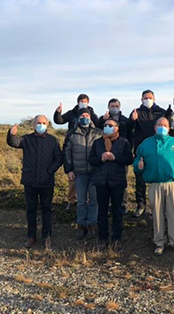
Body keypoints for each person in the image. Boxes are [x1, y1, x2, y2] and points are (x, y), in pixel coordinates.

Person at [134, 117, 174, 255]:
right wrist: (138, 165)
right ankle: (159, 242)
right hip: (155, 184)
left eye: (165, 125)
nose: (162, 127)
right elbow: (137, 161)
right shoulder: (146, 144)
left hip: (173, 184)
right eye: (160, 125)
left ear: (169, 128)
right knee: (157, 214)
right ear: (155, 127)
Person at [6, 115, 63, 250]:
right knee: (31, 210)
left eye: (43, 123)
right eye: (38, 123)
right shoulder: (27, 139)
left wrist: (50, 171)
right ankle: (31, 237)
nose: (40, 125)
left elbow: (59, 158)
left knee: (46, 210)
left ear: (47, 125)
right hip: (30, 180)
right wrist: (11, 134)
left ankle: (47, 236)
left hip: (47, 182)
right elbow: (14, 143)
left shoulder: (53, 141)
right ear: (33, 125)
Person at [89, 118, 133, 251]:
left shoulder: (124, 142)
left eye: (111, 125)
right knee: (101, 211)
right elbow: (91, 160)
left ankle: (117, 238)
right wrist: (101, 159)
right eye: (106, 125)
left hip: (117, 181)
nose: (107, 127)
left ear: (117, 128)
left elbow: (129, 159)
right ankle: (103, 238)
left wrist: (115, 158)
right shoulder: (97, 143)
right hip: (101, 181)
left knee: (117, 211)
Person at [129, 90, 171, 216]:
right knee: (140, 180)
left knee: (157, 179)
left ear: (154, 98)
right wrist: (132, 120)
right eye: (145, 98)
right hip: (141, 149)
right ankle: (141, 205)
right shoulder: (136, 112)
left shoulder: (161, 111)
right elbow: (129, 130)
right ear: (141, 99)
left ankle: (158, 207)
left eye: (150, 97)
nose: (148, 99)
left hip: (158, 150)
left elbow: (167, 128)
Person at [63, 109, 103, 240]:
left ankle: (92, 224)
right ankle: (81, 225)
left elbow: (103, 150)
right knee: (80, 201)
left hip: (95, 172)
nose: (85, 117)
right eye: (82, 115)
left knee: (94, 200)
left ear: (91, 118)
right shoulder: (72, 134)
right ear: (78, 118)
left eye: (87, 115)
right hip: (79, 173)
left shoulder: (98, 132)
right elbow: (66, 152)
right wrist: (69, 169)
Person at [54, 94, 98, 210]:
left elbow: (98, 125)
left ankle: (87, 201)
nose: (83, 102)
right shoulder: (71, 113)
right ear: (77, 102)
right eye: (81, 101)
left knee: (89, 182)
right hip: (74, 143)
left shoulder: (92, 113)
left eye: (85, 101)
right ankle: (71, 200)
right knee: (73, 179)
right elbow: (59, 121)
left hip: (88, 146)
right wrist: (58, 113)